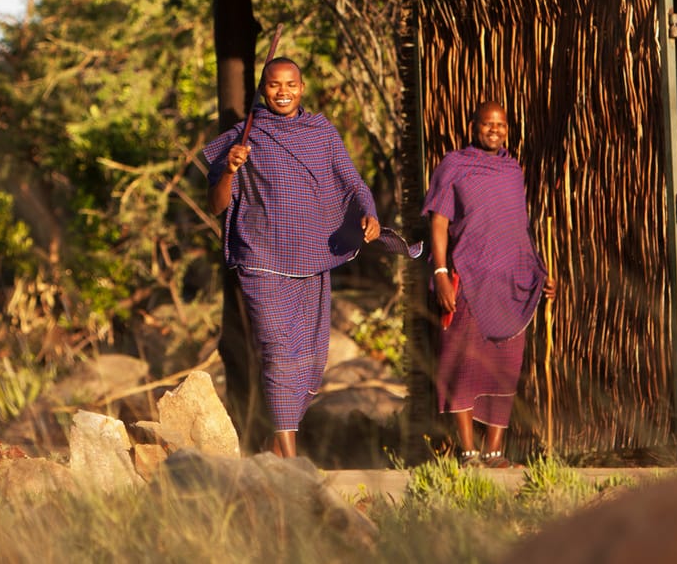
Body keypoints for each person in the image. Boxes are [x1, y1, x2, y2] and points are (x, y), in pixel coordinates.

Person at [205, 57, 381, 458]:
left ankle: (275, 448)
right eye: (273, 85)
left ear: (302, 88)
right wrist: (231, 169)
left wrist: (369, 212)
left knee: (314, 362)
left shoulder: (321, 131)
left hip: (314, 255)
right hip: (261, 257)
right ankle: (291, 457)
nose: (282, 91)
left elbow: (353, 181)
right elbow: (216, 205)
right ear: (262, 91)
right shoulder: (244, 136)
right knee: (280, 353)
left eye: (290, 84)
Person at [422, 100, 555, 468]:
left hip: (510, 282)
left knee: (505, 366)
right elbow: (438, 223)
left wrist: (538, 274)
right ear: (473, 126)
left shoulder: (512, 170)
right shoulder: (453, 166)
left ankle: (495, 452)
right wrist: (441, 273)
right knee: (461, 363)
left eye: (501, 124)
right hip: (467, 280)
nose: (494, 130)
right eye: (487, 124)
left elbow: (516, 230)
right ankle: (468, 452)